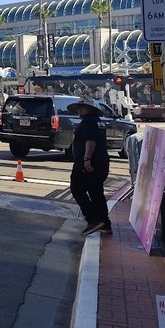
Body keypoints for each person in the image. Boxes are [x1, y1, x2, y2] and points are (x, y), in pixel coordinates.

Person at [69, 95, 112, 235]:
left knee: (77, 189)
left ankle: (93, 219)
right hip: (102, 162)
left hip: (88, 164)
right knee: (96, 192)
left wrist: (86, 159)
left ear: (89, 109)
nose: (79, 110)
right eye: (79, 108)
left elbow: (90, 141)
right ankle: (104, 223)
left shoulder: (87, 122)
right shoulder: (97, 121)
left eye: (82, 107)